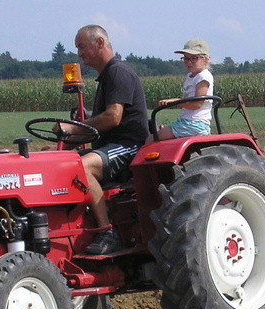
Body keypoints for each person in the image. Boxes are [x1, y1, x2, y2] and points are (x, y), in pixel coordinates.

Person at [59, 25, 149, 255]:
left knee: (83, 166)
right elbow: (97, 127)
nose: (79, 53)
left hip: (129, 146)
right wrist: (62, 145)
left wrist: (74, 127)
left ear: (100, 43)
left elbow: (112, 117)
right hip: (109, 146)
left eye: (82, 46)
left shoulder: (118, 72)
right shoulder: (106, 77)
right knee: (57, 163)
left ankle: (106, 230)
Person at [149, 39, 214, 143]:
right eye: (186, 58)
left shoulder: (203, 77)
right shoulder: (191, 76)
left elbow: (197, 104)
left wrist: (175, 101)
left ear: (206, 59)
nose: (188, 62)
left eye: (194, 58)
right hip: (187, 122)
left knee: (151, 139)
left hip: (193, 124)